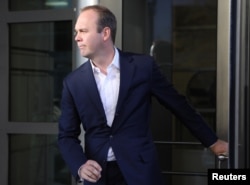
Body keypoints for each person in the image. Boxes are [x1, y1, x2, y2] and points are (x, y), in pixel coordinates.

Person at [58, 5, 228, 185]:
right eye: (76, 31)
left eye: (83, 31)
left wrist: (213, 142)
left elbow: (179, 106)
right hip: (99, 176)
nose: (77, 37)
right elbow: (66, 136)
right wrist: (80, 166)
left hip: (140, 173)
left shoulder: (143, 67)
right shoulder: (73, 82)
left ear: (105, 33)